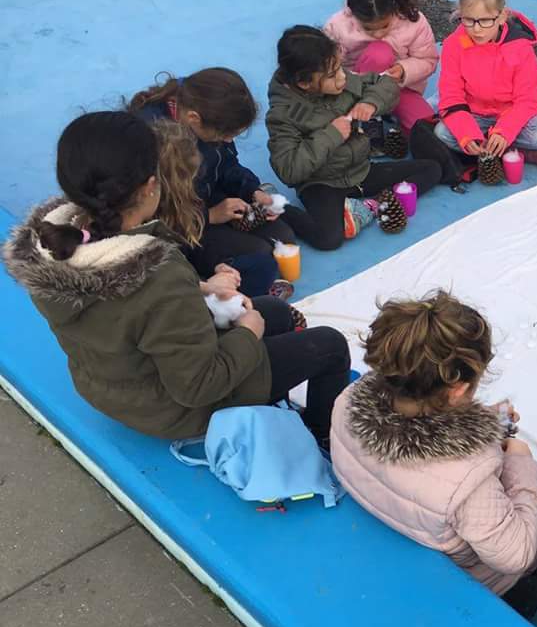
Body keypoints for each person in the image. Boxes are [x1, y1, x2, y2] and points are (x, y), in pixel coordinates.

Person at [3, 111, 350, 444]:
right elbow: (198, 386)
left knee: (275, 311)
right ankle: (322, 434)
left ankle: (267, 396)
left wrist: (200, 287)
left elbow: (123, 310)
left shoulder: (51, 244)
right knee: (329, 345)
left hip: (113, 386)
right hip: (173, 411)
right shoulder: (160, 275)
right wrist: (248, 332)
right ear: (150, 186)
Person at [330, 293, 537, 617]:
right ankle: (536, 586)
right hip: (465, 579)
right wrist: (519, 461)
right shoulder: (467, 479)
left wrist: (484, 423)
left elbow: (416, 432)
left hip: (393, 521)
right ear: (458, 390)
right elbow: (519, 555)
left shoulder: (347, 400)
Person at [266, 25, 453, 250]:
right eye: (332, 75)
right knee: (328, 239)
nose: (342, 78)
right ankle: (276, 204)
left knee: (431, 169)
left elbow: (384, 83)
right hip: (323, 182)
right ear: (304, 83)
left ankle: (371, 206)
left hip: (359, 171)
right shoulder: (283, 114)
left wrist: (371, 103)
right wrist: (332, 135)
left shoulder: (339, 77)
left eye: (339, 68)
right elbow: (288, 169)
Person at [131, 69, 298, 297]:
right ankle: (220, 285)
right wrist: (209, 215)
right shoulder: (155, 143)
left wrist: (252, 191)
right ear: (193, 119)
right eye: (225, 135)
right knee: (260, 253)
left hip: (208, 198)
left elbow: (227, 164)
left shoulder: (208, 115)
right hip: (183, 222)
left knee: (283, 237)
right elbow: (158, 215)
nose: (228, 140)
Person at [433, 0, 537, 171]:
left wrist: (505, 130)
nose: (476, 29)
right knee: (442, 132)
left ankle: (495, 148)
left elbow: (528, 100)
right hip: (473, 113)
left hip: (510, 113)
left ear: (502, 16)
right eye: (469, 20)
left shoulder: (521, 48)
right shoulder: (453, 45)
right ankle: (507, 151)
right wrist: (467, 135)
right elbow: (452, 96)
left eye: (485, 20)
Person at [324, 0, 439, 131]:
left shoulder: (412, 21)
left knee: (427, 126)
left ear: (394, 8)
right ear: (353, 13)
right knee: (379, 52)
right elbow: (326, 67)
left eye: (385, 26)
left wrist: (404, 70)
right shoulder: (339, 26)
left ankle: (387, 121)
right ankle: (368, 120)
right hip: (355, 91)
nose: (378, 34)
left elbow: (428, 60)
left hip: (399, 89)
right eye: (368, 29)